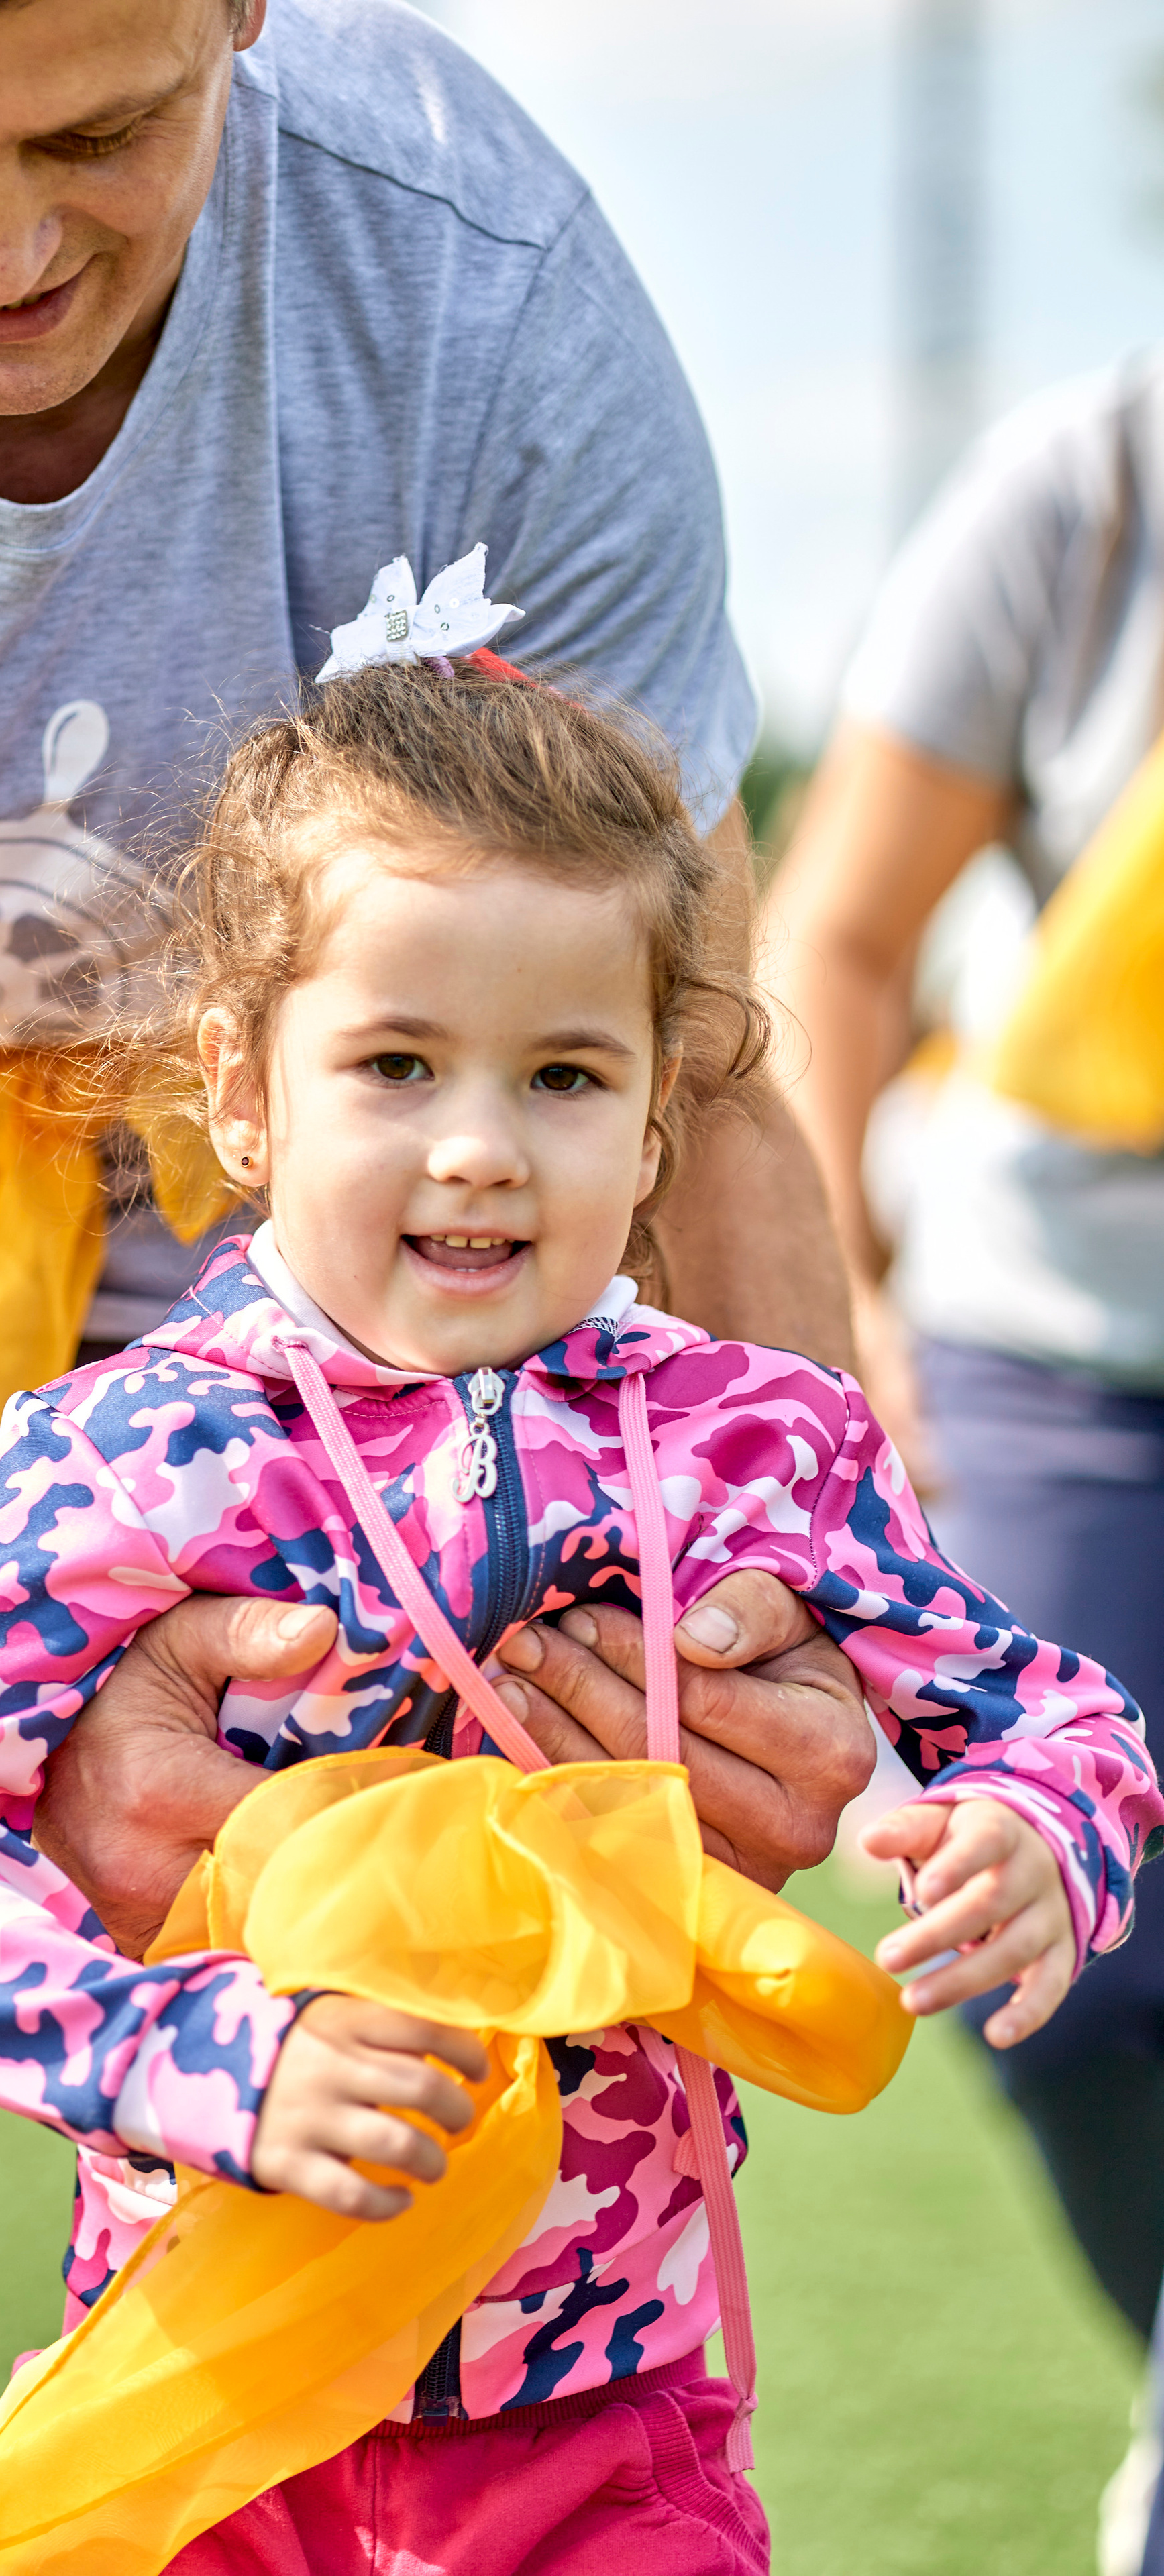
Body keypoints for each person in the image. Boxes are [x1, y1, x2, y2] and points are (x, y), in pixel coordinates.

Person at [0, 2, 871, 2565]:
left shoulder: (480, 296)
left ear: (241, 7)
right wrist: (16, 1666)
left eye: (99, 132)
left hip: (355, 1297)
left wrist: (784, 1638)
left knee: (478, 2129)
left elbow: (704, 1062)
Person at [0, 647, 1160, 2575]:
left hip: (614, 2420)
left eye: (566, 1076)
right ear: (245, 1093)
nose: (482, 1143)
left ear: (660, 1125)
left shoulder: (755, 1440)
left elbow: (1054, 1714)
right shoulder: (134, 1455)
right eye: (398, 1064)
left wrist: (1033, 1834)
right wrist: (196, 2059)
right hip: (220, 2395)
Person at [765, 356, 1164, 2569]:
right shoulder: (1096, 483)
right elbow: (836, 933)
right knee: (1061, 1945)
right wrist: (852, 1315)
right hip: (1056, 1345)